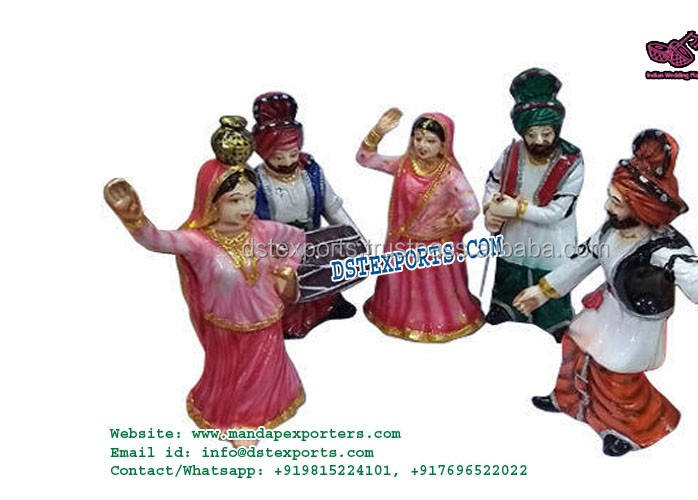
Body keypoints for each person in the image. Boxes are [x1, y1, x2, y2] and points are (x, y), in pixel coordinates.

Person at [512, 129, 698, 456]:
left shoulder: (664, 249)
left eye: (617, 201)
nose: (608, 206)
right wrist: (543, 291)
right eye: (610, 196)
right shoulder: (611, 229)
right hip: (606, 309)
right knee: (574, 346)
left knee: (617, 377)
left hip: (634, 325)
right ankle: (568, 400)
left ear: (642, 208)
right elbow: (583, 259)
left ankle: (627, 429)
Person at [104, 116, 306, 447]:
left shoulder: (263, 230)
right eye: (235, 200)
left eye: (250, 197)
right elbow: (156, 240)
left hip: (267, 322)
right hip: (226, 328)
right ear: (212, 199)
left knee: (268, 371)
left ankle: (271, 406)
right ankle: (238, 421)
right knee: (233, 377)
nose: (246, 208)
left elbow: (298, 239)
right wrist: (134, 218)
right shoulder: (198, 242)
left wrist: (287, 269)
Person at [355, 109, 483, 342]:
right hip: (402, 243)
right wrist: (377, 132)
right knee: (400, 289)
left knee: (436, 294)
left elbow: (472, 207)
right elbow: (365, 159)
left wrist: (450, 221)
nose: (422, 145)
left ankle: (437, 322)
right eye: (418, 138)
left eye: (431, 141)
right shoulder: (404, 164)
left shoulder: (450, 175)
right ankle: (398, 317)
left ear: (444, 145)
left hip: (435, 248)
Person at [483, 68, 585, 342]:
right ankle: (506, 309)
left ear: (556, 130)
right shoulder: (512, 152)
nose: (539, 141)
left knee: (549, 277)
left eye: (546, 133)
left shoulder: (572, 161)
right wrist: (490, 210)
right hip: (514, 235)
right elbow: (493, 182)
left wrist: (517, 210)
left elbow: (557, 211)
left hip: (551, 239)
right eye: (532, 134)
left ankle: (553, 320)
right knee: (510, 272)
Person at [252, 91, 359, 338]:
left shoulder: (311, 172)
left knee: (322, 272)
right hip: (275, 251)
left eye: (292, 154)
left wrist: (352, 234)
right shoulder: (255, 182)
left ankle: (326, 305)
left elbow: (332, 207)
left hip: (313, 245)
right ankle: (285, 319)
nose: (287, 162)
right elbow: (251, 222)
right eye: (278, 156)